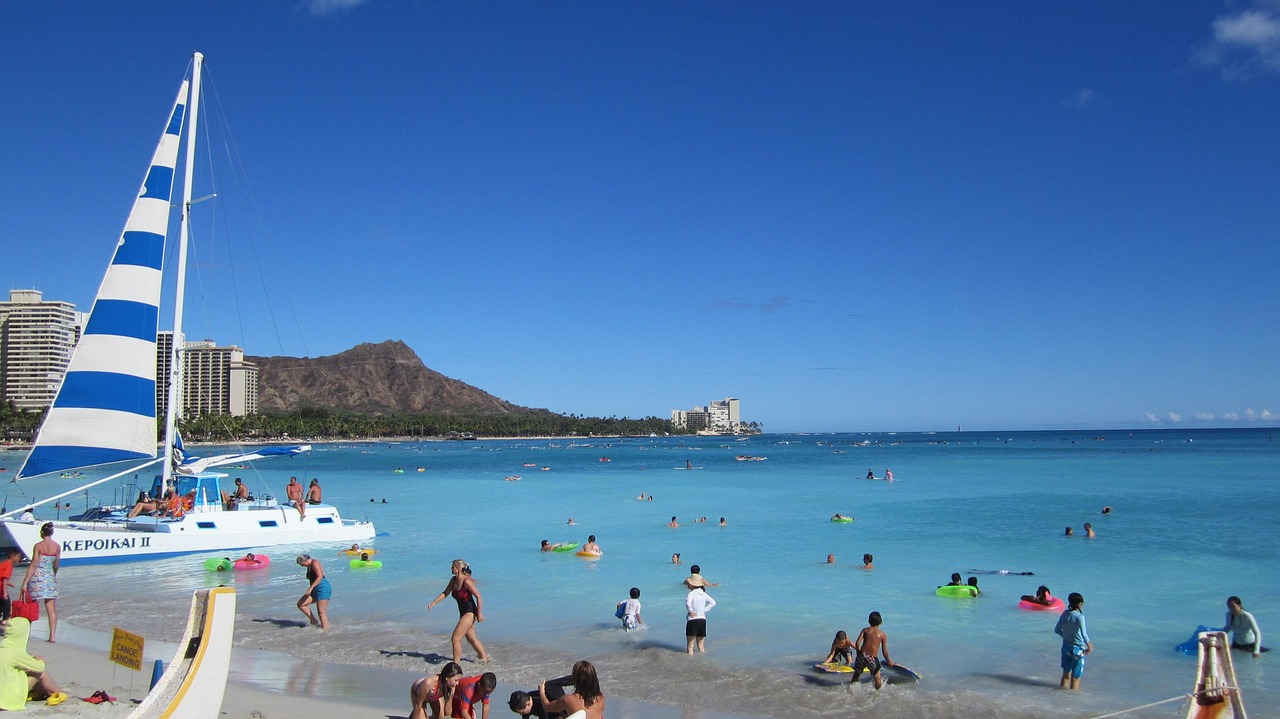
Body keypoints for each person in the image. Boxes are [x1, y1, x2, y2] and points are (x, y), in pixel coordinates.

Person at [426, 559, 489, 664]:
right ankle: (484, 658)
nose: (451, 568)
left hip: (470, 612)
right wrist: (434, 602)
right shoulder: (453, 580)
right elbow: (446, 592)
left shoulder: (467, 581)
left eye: (453, 567)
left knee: (455, 639)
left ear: (458, 568)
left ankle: (456, 665)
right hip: (463, 613)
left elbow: (478, 596)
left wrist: (479, 613)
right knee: (471, 638)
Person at [0, 617, 67, 709]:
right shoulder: (16, 652)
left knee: (26, 671)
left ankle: (43, 692)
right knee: (40, 672)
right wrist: (40, 660)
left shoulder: (4, 647)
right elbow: (40, 668)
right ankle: (60, 692)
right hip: (9, 698)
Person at [20, 523, 59, 643]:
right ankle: (52, 636)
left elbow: (33, 564)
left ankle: (27, 633)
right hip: (49, 577)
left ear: (42, 532)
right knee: (51, 609)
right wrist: (52, 575)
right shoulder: (56, 546)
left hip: (37, 578)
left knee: (31, 606)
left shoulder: (38, 546)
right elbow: (56, 564)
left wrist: (25, 582)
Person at [538, 660, 605, 719]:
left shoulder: (568, 699)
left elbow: (546, 707)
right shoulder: (600, 698)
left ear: (574, 679)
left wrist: (541, 691)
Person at [1054, 592, 1092, 690]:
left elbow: (1057, 630)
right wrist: (1090, 646)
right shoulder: (1080, 617)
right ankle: (1073, 700)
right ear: (1080, 604)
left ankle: (1062, 695)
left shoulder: (1065, 614)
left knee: (1066, 674)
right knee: (1076, 676)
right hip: (1077, 649)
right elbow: (1084, 634)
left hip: (1066, 647)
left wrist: (1066, 636)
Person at [851, 611, 894, 689]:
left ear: (869, 621)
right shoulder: (882, 634)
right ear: (881, 622)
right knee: (877, 677)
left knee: (857, 674)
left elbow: (857, 644)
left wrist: (858, 654)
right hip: (872, 658)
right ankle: (877, 693)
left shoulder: (865, 630)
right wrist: (888, 661)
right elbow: (884, 651)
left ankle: (850, 688)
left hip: (862, 655)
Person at [508, 674, 573, 719]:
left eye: (521, 712)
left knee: (548, 685)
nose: (521, 714)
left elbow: (544, 716)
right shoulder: (525, 699)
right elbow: (525, 716)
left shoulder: (539, 704)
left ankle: (579, 678)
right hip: (551, 710)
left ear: (528, 704)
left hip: (560, 708)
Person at [295, 554, 331, 630]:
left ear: (305, 560)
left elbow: (320, 576)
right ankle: (314, 621)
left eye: (302, 564)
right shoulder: (309, 565)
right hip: (315, 589)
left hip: (322, 588)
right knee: (301, 604)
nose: (302, 566)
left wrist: (310, 588)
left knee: (321, 613)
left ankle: (325, 631)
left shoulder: (315, 562)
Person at [684, 574, 716, 653]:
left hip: (692, 620)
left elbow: (688, 604)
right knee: (701, 647)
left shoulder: (691, 594)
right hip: (702, 620)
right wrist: (704, 610)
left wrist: (690, 611)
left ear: (692, 584)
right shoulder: (704, 594)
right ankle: (702, 661)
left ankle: (690, 663)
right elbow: (713, 603)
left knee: (690, 647)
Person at [0, 548, 20, 621]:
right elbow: (4, 577)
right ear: (12, 556)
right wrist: (5, 592)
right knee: (7, 607)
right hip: (1, 590)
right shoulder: (9, 565)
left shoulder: (3, 563)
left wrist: (8, 583)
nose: (19, 559)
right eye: (18, 557)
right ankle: (5, 624)